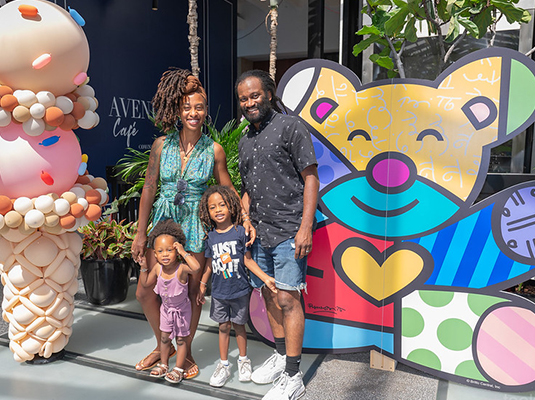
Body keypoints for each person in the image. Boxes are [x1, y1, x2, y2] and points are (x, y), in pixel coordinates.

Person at [132, 68, 255, 377]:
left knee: (191, 294)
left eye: (199, 107)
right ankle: (166, 344)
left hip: (195, 228)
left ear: (206, 111)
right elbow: (149, 187)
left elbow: (226, 190)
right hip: (162, 223)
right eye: (187, 107)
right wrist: (139, 232)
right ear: (177, 109)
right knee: (146, 291)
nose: (193, 113)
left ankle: (183, 351)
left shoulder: (214, 150)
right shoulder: (162, 145)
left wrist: (246, 219)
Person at [236, 70, 319, 400]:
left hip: (289, 229)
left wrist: (305, 227)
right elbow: (247, 190)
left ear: (268, 94)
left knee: (287, 298)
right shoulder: (245, 139)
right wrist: (244, 218)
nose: (249, 102)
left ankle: (293, 375)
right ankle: (282, 355)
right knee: (269, 297)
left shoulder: (290, 127)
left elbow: (310, 178)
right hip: (260, 232)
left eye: (254, 95)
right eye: (243, 98)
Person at [196, 185, 277, 388]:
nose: (218, 210)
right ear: (208, 212)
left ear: (232, 207)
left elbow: (248, 261)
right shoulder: (211, 237)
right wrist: (202, 285)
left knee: (240, 327)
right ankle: (223, 364)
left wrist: (266, 278)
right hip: (219, 293)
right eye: (212, 207)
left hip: (240, 290)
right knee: (223, 327)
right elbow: (207, 265)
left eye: (222, 205)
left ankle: (243, 360)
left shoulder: (241, 232)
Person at [137, 220, 200, 384]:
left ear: (176, 251)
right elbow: (146, 283)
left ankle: (178, 368)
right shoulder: (157, 268)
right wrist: (144, 267)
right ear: (155, 255)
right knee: (164, 338)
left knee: (181, 340)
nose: (165, 254)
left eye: (169, 250)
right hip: (166, 310)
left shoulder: (182, 269)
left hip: (182, 311)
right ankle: (164, 365)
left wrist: (183, 251)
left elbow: (196, 268)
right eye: (160, 251)